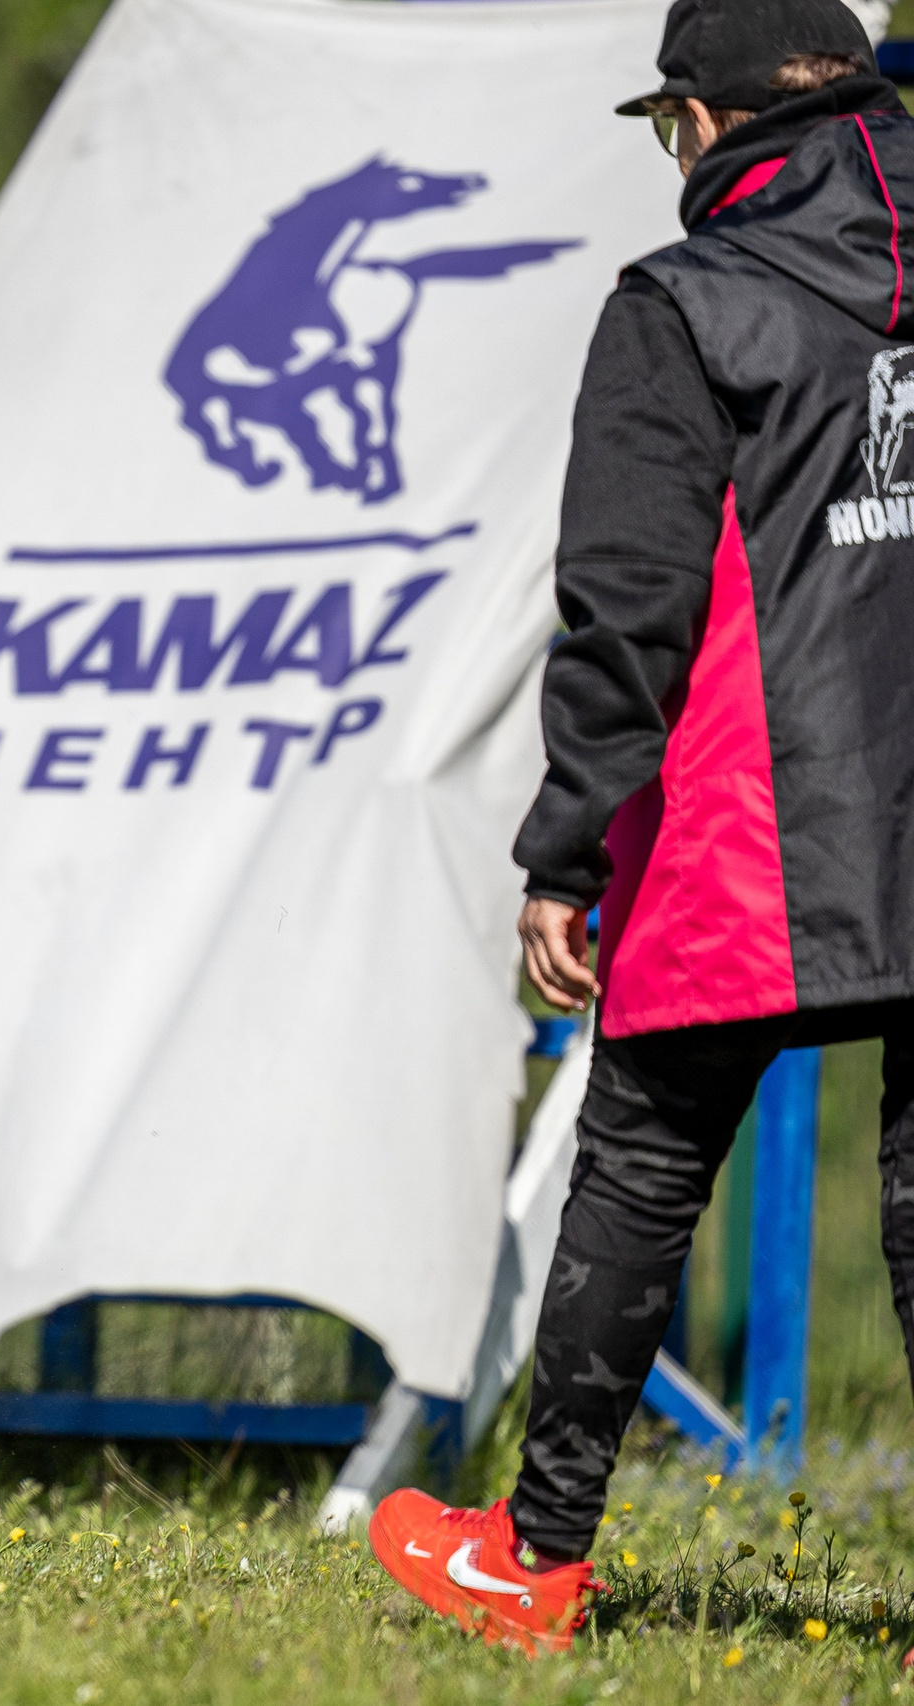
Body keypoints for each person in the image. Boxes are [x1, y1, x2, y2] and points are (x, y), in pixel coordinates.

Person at [372, 0, 914, 1653]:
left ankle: (532, 1563)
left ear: (700, 121)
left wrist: (564, 847)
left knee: (640, 1158)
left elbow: (625, 608)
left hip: (766, 833)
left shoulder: (687, 304)